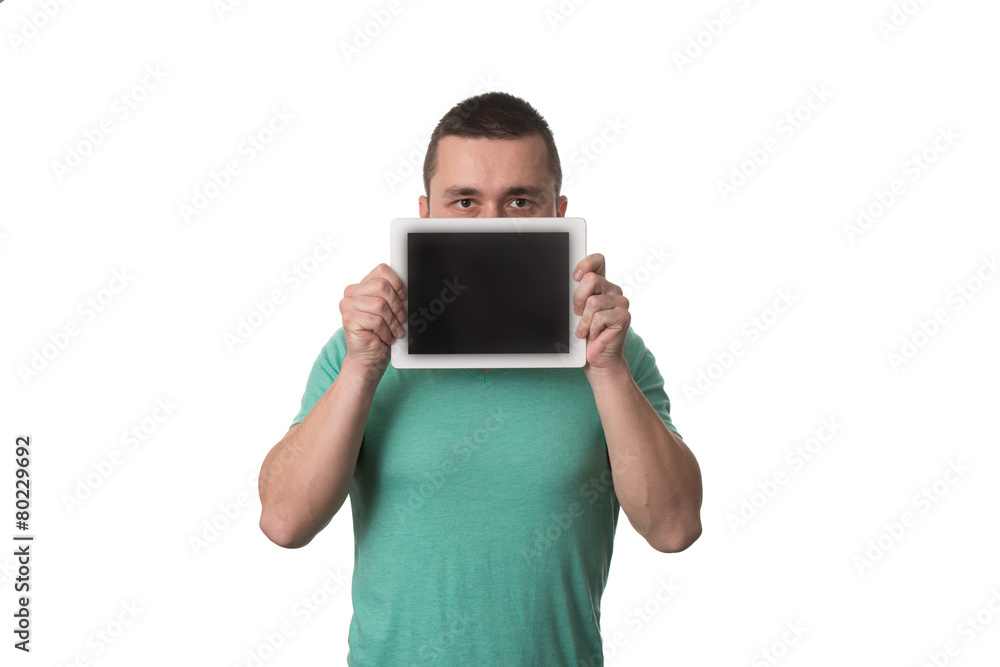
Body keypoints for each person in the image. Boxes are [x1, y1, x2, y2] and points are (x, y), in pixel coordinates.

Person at [257, 92, 703, 666]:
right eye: (465, 201)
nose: (492, 226)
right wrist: (363, 366)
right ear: (426, 215)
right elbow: (284, 523)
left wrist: (608, 369)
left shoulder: (613, 355)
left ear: (557, 214)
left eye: (519, 200)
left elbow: (674, 528)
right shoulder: (359, 352)